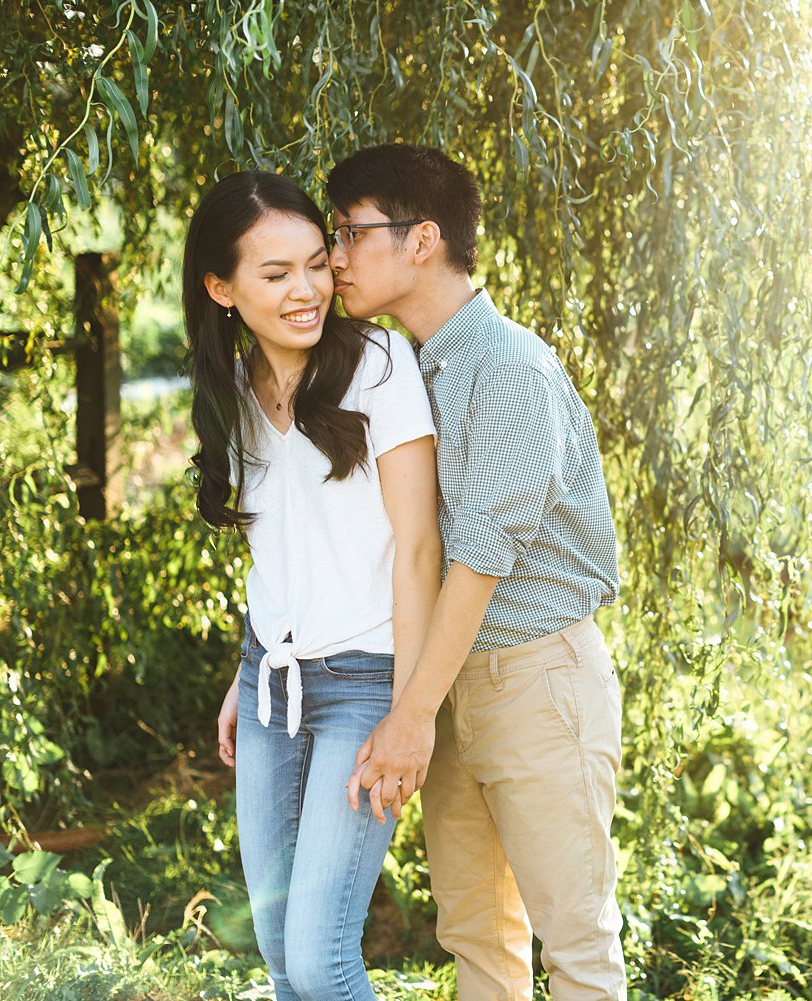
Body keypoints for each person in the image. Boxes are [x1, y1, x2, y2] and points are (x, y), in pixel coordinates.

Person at [326, 144, 625, 1001]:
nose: (335, 257)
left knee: (575, 942)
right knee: (475, 937)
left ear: (422, 239)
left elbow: (479, 562)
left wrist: (410, 714)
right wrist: (422, 701)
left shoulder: (505, 367)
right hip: (448, 684)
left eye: (351, 232)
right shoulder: (411, 368)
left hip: (534, 679)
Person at [186, 171, 441, 1001]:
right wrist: (245, 668)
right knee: (278, 950)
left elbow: (418, 550)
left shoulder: (377, 364)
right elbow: (280, 547)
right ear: (221, 289)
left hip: (367, 682)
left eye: (315, 262)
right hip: (272, 686)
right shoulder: (229, 391)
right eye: (274, 274)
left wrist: (410, 715)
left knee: (323, 960)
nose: (307, 290)